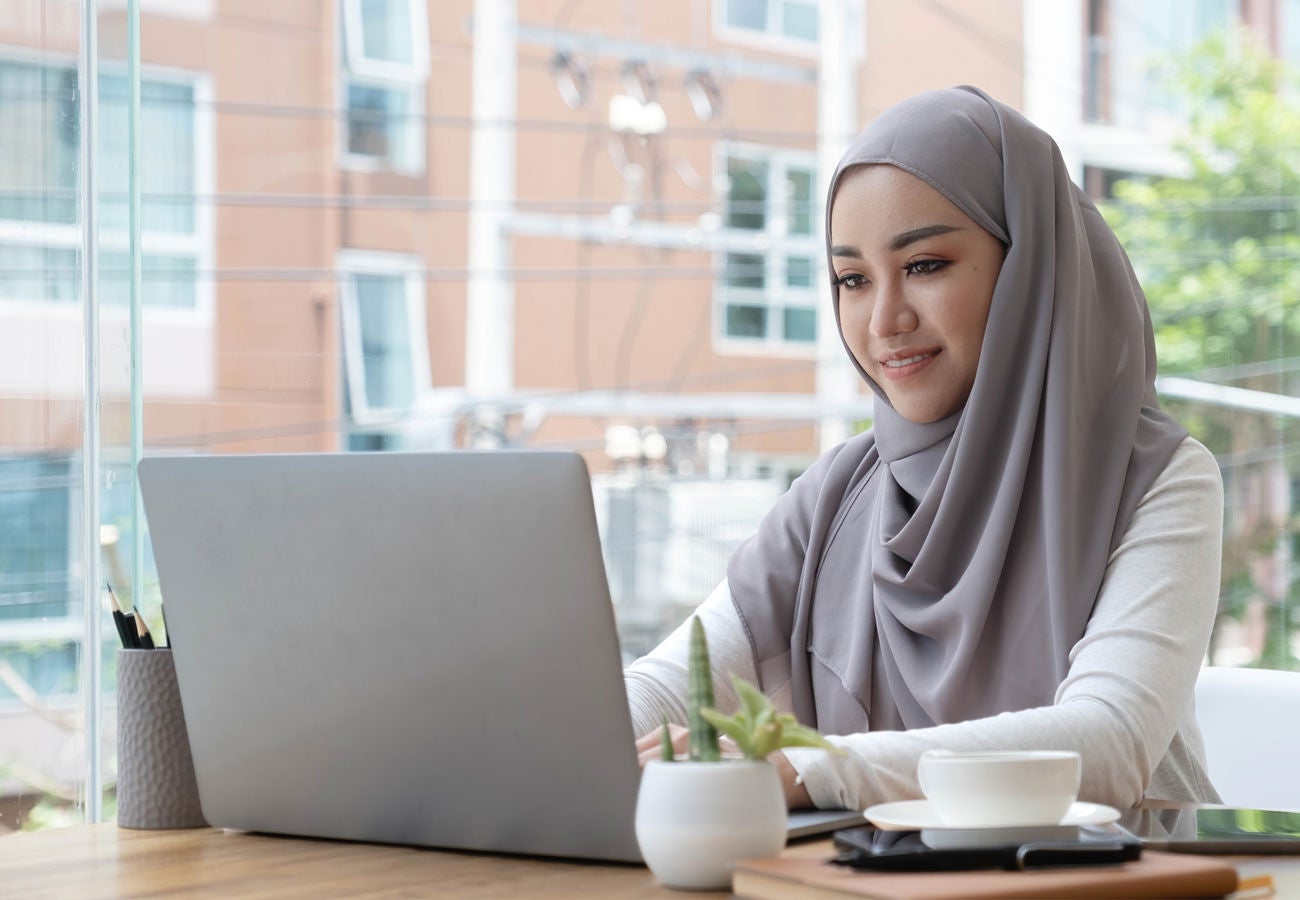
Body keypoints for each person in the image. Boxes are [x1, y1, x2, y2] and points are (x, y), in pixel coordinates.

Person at [624, 86, 1223, 813]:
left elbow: (1107, 743)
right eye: (852, 279)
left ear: (1028, 267)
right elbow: (671, 686)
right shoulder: (841, 495)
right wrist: (533, 741)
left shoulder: (1158, 479)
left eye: (926, 265)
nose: (884, 320)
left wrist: (807, 767)